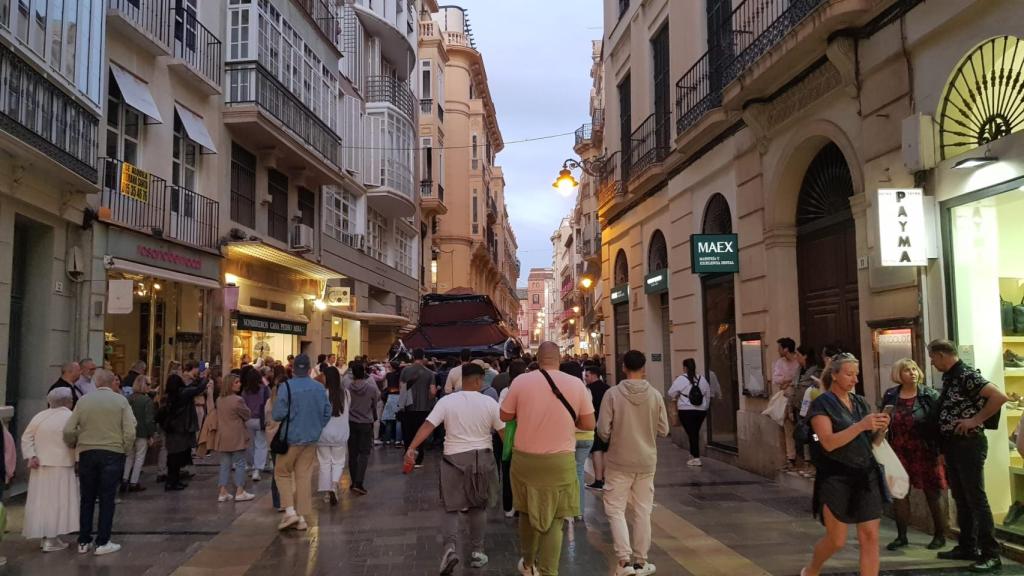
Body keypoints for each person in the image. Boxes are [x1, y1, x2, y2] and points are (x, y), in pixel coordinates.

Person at [501, 341, 595, 576]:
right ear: (560, 358)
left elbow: (505, 415)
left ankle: (528, 562)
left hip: (525, 459)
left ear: (539, 358)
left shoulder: (521, 381)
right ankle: (548, 571)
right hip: (561, 460)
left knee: (525, 511)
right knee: (556, 518)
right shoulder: (576, 384)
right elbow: (589, 424)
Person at [405, 362, 505, 574]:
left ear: (461, 379)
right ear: (478, 380)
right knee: (478, 506)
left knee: (451, 506)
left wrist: (412, 448)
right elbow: (504, 434)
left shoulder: (447, 401)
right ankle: (477, 552)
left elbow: (428, 426)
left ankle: (450, 549)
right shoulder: (490, 403)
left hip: (453, 459)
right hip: (482, 459)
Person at [802, 353, 889, 576]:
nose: (854, 380)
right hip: (835, 476)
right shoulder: (822, 404)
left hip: (865, 474)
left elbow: (872, 443)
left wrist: (881, 429)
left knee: (870, 537)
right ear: (835, 375)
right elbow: (828, 443)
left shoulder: (859, 402)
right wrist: (861, 425)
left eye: (856, 375)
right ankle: (811, 570)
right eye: (849, 374)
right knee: (837, 540)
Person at [928, 339, 1006, 573]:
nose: (932, 362)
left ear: (942, 355)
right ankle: (967, 546)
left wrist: (975, 420)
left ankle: (991, 554)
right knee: (961, 498)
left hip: (969, 445)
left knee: (976, 499)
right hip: (953, 446)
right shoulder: (951, 377)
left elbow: (999, 397)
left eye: (933, 357)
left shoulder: (966, 375)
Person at [598, 351, 670, 576]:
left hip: (619, 461)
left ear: (623, 368)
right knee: (642, 511)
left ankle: (624, 560)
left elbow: (602, 430)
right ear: (644, 368)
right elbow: (664, 429)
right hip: (646, 461)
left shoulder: (612, 395)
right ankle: (641, 560)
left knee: (615, 510)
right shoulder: (656, 395)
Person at [62, 369, 136, 556]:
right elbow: (130, 430)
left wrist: (76, 442)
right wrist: (124, 448)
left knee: (87, 498)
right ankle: (103, 541)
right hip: (112, 452)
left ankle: (84, 540)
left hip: (88, 452)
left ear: (95, 383)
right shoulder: (121, 401)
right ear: (113, 383)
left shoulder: (84, 401)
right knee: (107, 498)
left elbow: (69, 429)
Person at [881, 358, 947, 552]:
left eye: (914, 369)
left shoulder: (928, 394)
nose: (913, 373)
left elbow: (938, 423)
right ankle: (902, 536)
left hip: (924, 449)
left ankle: (940, 535)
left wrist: (941, 451)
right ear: (898, 375)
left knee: (932, 493)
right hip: (899, 449)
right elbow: (883, 419)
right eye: (907, 370)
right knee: (900, 494)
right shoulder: (891, 395)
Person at [273, 354, 330, 530]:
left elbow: (277, 414)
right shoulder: (319, 388)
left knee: (282, 473)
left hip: (291, 438)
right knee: (304, 477)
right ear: (309, 368)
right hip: (311, 439)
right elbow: (327, 412)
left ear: (294, 369)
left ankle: (290, 512)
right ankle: (303, 517)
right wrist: (317, 427)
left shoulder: (286, 387)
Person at [22, 387, 79, 553]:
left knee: (41, 502)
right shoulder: (70, 417)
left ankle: (46, 536)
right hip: (62, 465)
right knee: (58, 502)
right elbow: (75, 439)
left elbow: (26, 437)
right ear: (69, 401)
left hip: (40, 466)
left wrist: (31, 456)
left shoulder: (39, 416)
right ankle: (51, 539)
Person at [161, 362, 205, 491]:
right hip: (179, 428)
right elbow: (196, 389)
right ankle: (173, 481)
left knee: (172, 456)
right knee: (177, 456)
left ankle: (172, 480)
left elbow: (191, 388)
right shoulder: (182, 394)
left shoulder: (169, 396)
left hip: (171, 428)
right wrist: (203, 378)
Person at [213, 374, 255, 503]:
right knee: (240, 463)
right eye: (236, 382)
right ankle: (240, 490)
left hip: (223, 435)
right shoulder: (238, 400)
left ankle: (223, 491)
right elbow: (247, 414)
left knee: (225, 464)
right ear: (230, 384)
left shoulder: (219, 400)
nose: (239, 384)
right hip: (236, 434)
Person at [667, 358, 711, 466]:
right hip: (700, 411)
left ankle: (696, 458)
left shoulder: (681, 379)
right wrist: (705, 408)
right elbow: (708, 395)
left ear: (685, 368)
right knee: (694, 432)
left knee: (692, 433)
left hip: (686, 410)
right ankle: (693, 455)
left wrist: (679, 394)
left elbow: (671, 393)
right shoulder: (702, 379)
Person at [318, 365, 350, 506]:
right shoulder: (346, 394)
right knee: (338, 461)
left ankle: (326, 491)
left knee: (324, 463)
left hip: (323, 433)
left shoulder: (321, 394)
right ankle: (334, 484)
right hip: (340, 433)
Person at [499, 359, 527, 518]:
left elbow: (502, 413)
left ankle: (509, 506)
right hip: (526, 433)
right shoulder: (529, 389)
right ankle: (521, 504)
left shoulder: (505, 390)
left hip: (509, 433)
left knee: (508, 470)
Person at [345, 362, 379, 496]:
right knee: (364, 453)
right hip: (366, 422)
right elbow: (375, 403)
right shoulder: (371, 388)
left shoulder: (347, 388)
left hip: (351, 422)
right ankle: (359, 482)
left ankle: (353, 482)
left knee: (352, 453)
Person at [400, 349, 437, 468]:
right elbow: (432, 391)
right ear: (423, 357)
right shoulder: (430, 373)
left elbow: (402, 389)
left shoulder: (405, 370)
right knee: (420, 433)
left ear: (413, 357)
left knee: (408, 433)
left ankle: (408, 457)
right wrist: (430, 397)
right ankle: (419, 459)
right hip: (423, 408)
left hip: (408, 408)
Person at [790, 346, 821, 475]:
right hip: (799, 409)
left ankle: (813, 464)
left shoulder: (815, 372)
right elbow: (794, 389)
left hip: (812, 412)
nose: (796, 357)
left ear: (805, 356)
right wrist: (790, 408)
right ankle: (802, 462)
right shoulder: (799, 370)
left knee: (814, 437)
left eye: (798, 355)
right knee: (801, 436)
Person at [122, 376, 156, 492]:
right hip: (142, 432)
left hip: (129, 431)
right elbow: (148, 419)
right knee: (139, 458)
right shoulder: (147, 401)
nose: (150, 387)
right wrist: (151, 434)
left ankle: (124, 479)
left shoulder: (128, 399)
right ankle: (134, 482)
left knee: (129, 457)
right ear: (144, 385)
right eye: (148, 384)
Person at [772, 337, 801, 470]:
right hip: (785, 400)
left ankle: (801, 459)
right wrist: (789, 380)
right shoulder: (780, 362)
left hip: (797, 400)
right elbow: (776, 380)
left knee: (801, 430)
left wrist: (787, 381)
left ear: (786, 349)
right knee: (786, 429)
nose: (777, 350)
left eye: (779, 348)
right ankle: (790, 458)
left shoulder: (798, 361)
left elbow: (797, 380)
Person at [241, 367, 271, 482]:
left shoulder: (245, 391)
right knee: (261, 444)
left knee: (250, 445)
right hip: (261, 419)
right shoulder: (264, 389)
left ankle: (252, 465)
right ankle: (257, 469)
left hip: (248, 420)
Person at [584, 364, 610, 491]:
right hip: (607, 423)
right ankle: (605, 478)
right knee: (605, 451)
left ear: (594, 375)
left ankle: (598, 480)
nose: (586, 378)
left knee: (596, 451)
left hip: (594, 423)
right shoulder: (608, 388)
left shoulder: (588, 390)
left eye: (587, 376)